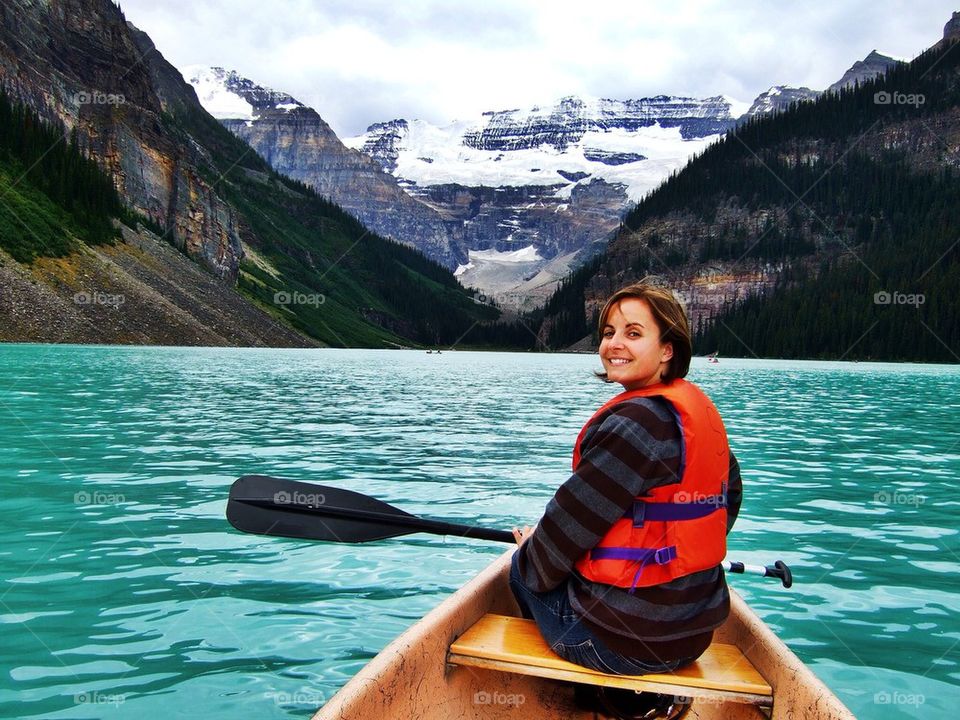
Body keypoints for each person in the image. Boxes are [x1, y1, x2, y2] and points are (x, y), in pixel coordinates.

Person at [510, 281, 742, 681]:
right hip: (694, 635)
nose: (614, 344)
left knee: (521, 570)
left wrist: (530, 551)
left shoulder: (632, 426)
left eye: (633, 333)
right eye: (608, 333)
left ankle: (594, 692)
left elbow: (565, 530)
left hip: (623, 647)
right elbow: (728, 501)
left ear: (667, 349)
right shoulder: (695, 415)